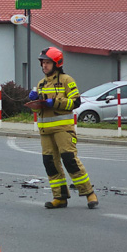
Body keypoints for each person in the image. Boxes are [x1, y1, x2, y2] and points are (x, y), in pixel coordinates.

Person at [28, 47, 98, 209]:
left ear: (56, 63)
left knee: (70, 160)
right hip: (45, 131)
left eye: (47, 63)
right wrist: (34, 103)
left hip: (63, 129)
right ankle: (59, 197)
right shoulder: (41, 84)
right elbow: (38, 110)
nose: (44, 66)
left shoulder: (67, 80)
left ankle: (89, 194)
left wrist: (55, 102)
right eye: (43, 63)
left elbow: (75, 102)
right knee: (50, 163)